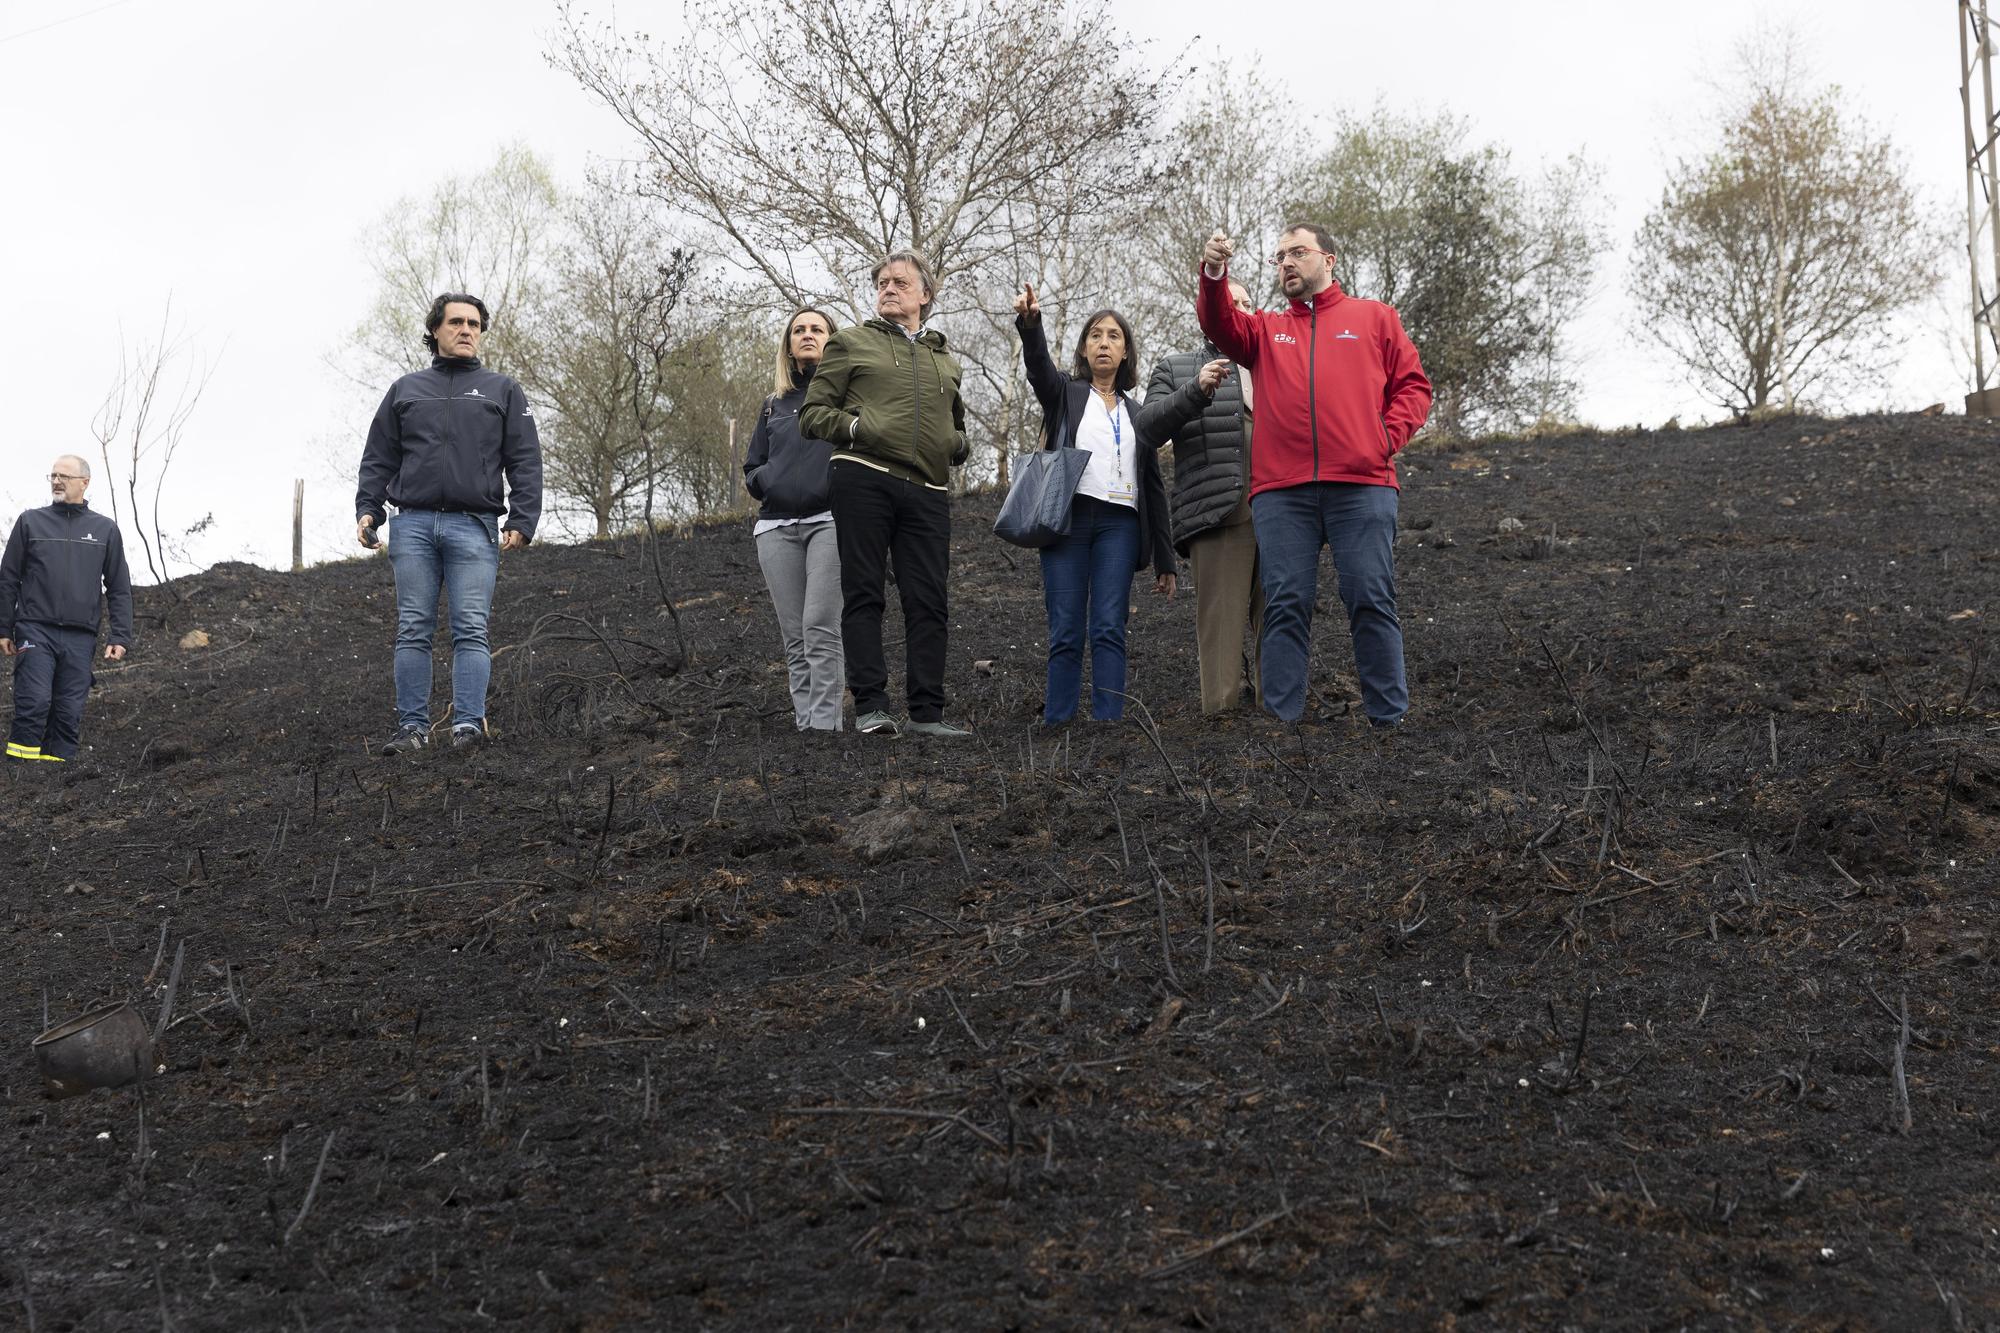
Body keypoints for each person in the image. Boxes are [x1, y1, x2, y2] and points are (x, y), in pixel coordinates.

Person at [1197, 223, 1432, 729]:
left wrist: (1384, 439)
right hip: (1283, 495)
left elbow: (1413, 387)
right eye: (1278, 256)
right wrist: (1215, 272)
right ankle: (1282, 728)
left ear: (1329, 260)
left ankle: (1389, 723)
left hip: (1363, 487)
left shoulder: (1375, 318)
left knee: (1371, 597)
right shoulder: (1263, 330)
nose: (1285, 262)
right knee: (1286, 604)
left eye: (1297, 252)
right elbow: (1219, 323)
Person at [1012, 284, 1222, 725]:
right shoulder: (1064, 395)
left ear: (1125, 352)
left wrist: (1166, 558)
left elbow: (1154, 486)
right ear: (1084, 350)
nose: (1104, 342)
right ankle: (1058, 721)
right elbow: (1038, 370)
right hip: (1066, 522)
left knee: (1109, 626)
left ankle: (1109, 722)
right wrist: (1032, 325)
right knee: (1066, 629)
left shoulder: (1138, 412)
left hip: (1120, 527)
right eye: (1095, 335)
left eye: (1113, 336)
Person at [355, 292, 542, 754]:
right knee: (413, 627)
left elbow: (525, 459)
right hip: (412, 525)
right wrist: (368, 509)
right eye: (456, 322)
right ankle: (412, 730)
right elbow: (379, 456)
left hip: (474, 527)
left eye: (474, 324)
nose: (466, 330)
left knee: (471, 629)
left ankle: (467, 727)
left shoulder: (503, 390)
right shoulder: (405, 390)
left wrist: (523, 517)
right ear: (435, 330)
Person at [799, 251, 972, 738]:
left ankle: (927, 714)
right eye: (881, 282)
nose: (888, 288)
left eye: (899, 281)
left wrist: (954, 445)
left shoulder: (946, 360)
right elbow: (812, 414)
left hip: (928, 489)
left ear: (925, 295)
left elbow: (957, 428)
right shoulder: (849, 343)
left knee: (929, 600)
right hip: (862, 476)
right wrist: (858, 426)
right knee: (864, 593)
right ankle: (872, 707)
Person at [1138, 277, 1264, 715]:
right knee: (1221, 624)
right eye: (1234, 303)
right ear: (1209, 314)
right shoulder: (1177, 366)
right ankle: (1222, 718)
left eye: (1249, 303)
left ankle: (1282, 716)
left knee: (1283, 618)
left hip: (1283, 510)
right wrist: (1194, 391)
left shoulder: (1276, 361)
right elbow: (1147, 428)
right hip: (1218, 513)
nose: (1244, 310)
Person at [743, 306, 846, 731]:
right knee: (795, 637)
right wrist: (770, 481)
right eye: (798, 330)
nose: (807, 335)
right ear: (788, 344)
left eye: (816, 329)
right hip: (776, 529)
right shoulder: (773, 405)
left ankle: (825, 727)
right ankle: (806, 727)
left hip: (830, 522)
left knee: (820, 626)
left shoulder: (847, 397)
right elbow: (752, 467)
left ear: (832, 339)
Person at [0, 455, 133, 765]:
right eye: (53, 475)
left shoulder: (105, 530)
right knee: (34, 702)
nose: (57, 481)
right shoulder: (31, 521)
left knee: (67, 712)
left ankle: (54, 784)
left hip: (81, 636)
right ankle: (19, 776)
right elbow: (8, 578)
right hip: (35, 628)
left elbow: (118, 587)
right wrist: (4, 628)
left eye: (64, 476)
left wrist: (121, 636)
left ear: (84, 483)